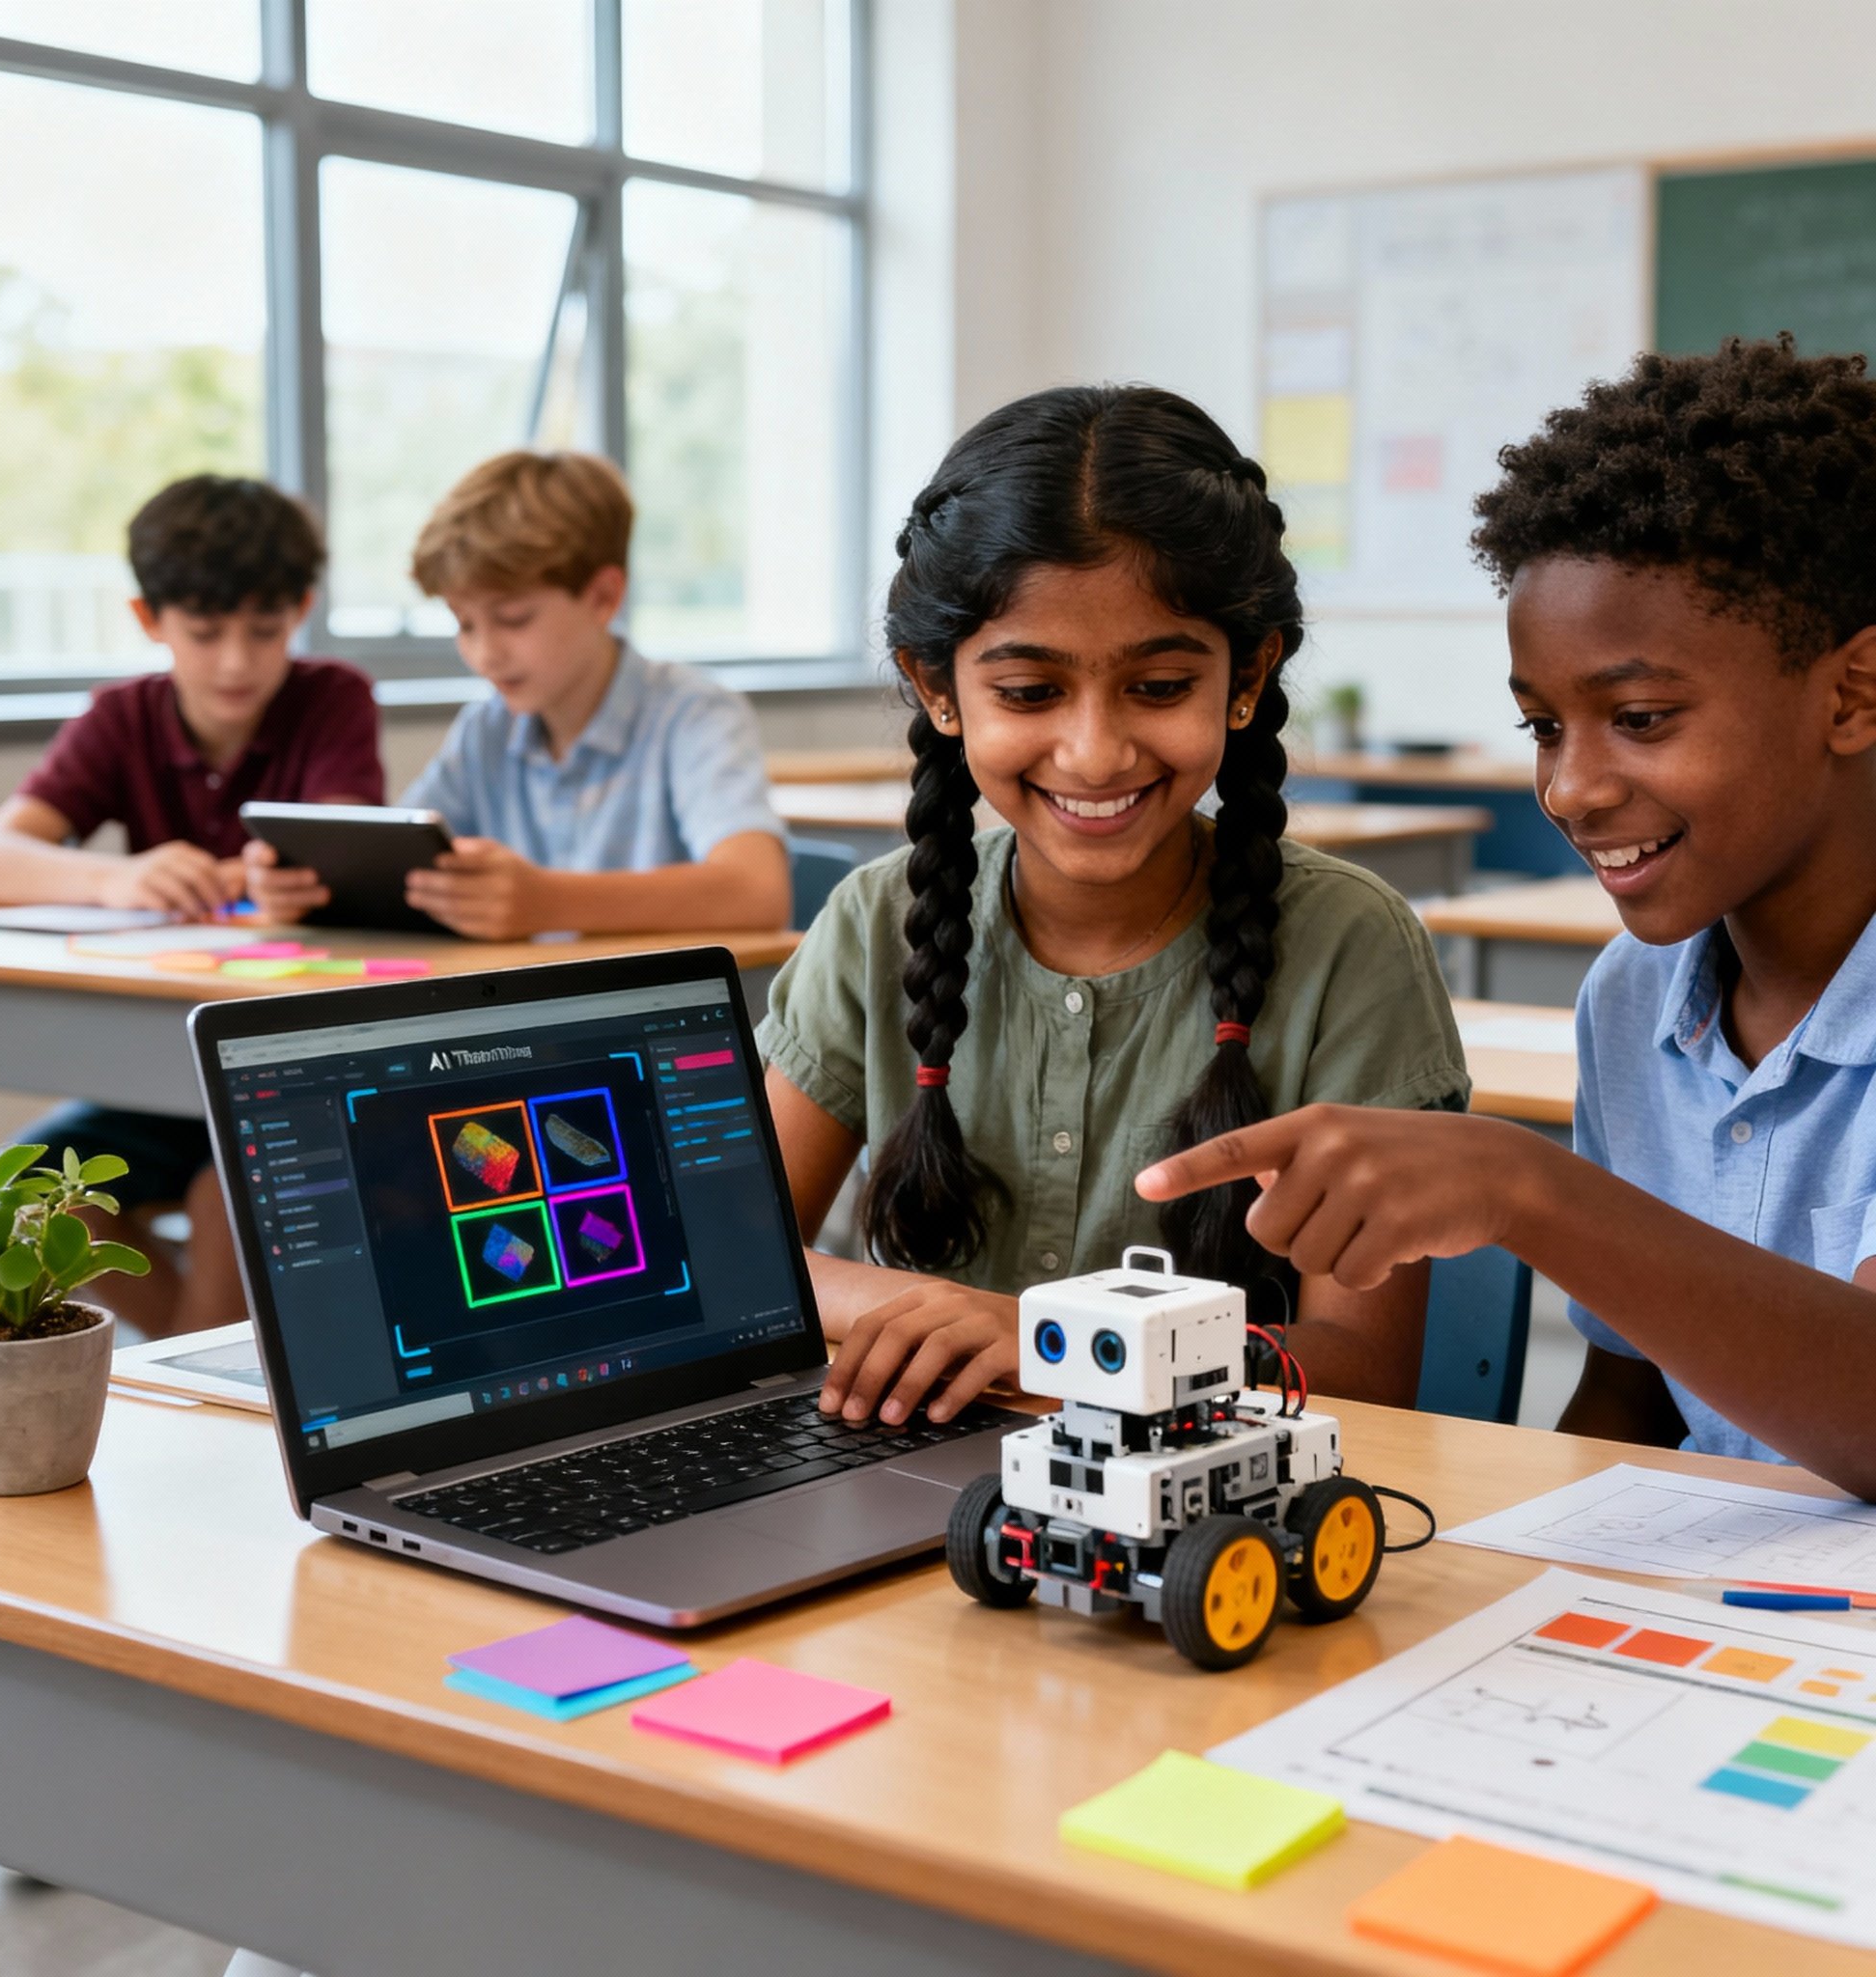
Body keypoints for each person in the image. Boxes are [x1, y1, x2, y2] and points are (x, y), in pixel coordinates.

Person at [1136, 336, 1876, 1499]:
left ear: (1850, 692)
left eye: (1639, 717)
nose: (1568, 788)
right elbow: (1631, 1397)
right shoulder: (1635, 997)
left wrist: (1527, 1187)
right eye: (1541, 726)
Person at [758, 384, 1469, 1429]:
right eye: (1029, 693)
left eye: (1159, 686)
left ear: (1247, 674)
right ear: (938, 688)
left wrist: (1050, 1343)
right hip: (914, 1474)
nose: (1094, 753)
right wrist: (952, 1318)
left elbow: (1363, 1367)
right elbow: (734, 1265)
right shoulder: (875, 919)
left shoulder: (1348, 944)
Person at [0, 474, 383, 1335]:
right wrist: (111, 878)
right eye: (205, 631)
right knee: (19, 1189)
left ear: (300, 611)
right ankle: (197, 1359)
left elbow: (348, 852)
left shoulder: (333, 698)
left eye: (264, 630)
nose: (236, 661)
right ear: (149, 619)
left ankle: (207, 1375)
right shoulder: (123, 717)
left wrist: (294, 881)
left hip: (282, 1069)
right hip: (161, 1069)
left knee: (230, 1197)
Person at [394, 448, 789, 939]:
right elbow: (394, 861)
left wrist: (549, 902)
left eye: (514, 619)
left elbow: (758, 891)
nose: (484, 653)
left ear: (603, 597)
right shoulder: (486, 730)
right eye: (464, 624)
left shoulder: (694, 716)